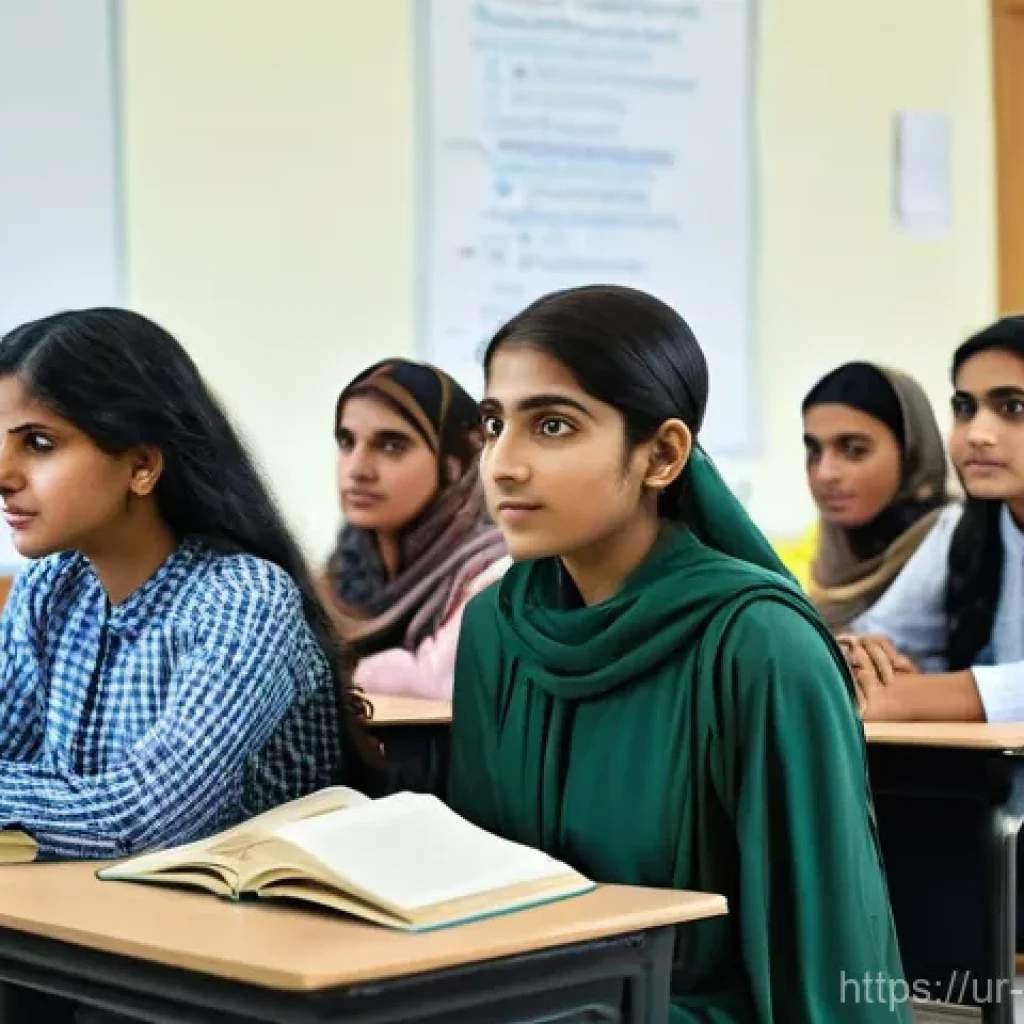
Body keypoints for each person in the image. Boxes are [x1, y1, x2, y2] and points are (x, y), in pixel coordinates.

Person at [447, 284, 909, 1022]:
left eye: (554, 425)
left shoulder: (759, 644)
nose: (502, 465)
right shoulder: (495, 630)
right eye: (495, 423)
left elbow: (826, 960)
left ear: (662, 454)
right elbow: (471, 909)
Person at [0, 308, 380, 861]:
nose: (3, 474)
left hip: (250, 934)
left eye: (37, 444)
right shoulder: (48, 590)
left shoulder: (242, 599)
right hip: (88, 918)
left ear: (142, 465)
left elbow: (149, 819)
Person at [846, 316, 1024, 723]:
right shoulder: (961, 529)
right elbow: (875, 641)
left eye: (1012, 407)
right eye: (965, 408)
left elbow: (895, 699)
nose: (977, 433)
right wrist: (866, 662)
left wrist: (914, 696)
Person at [320, 359, 507, 700]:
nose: (358, 469)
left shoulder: (493, 573)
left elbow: (439, 682)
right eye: (347, 442)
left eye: (391, 446)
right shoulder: (336, 576)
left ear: (457, 463)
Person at [801, 361, 949, 631]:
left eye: (854, 450)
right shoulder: (821, 550)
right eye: (814, 451)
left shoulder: (957, 543)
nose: (824, 473)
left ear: (909, 454)